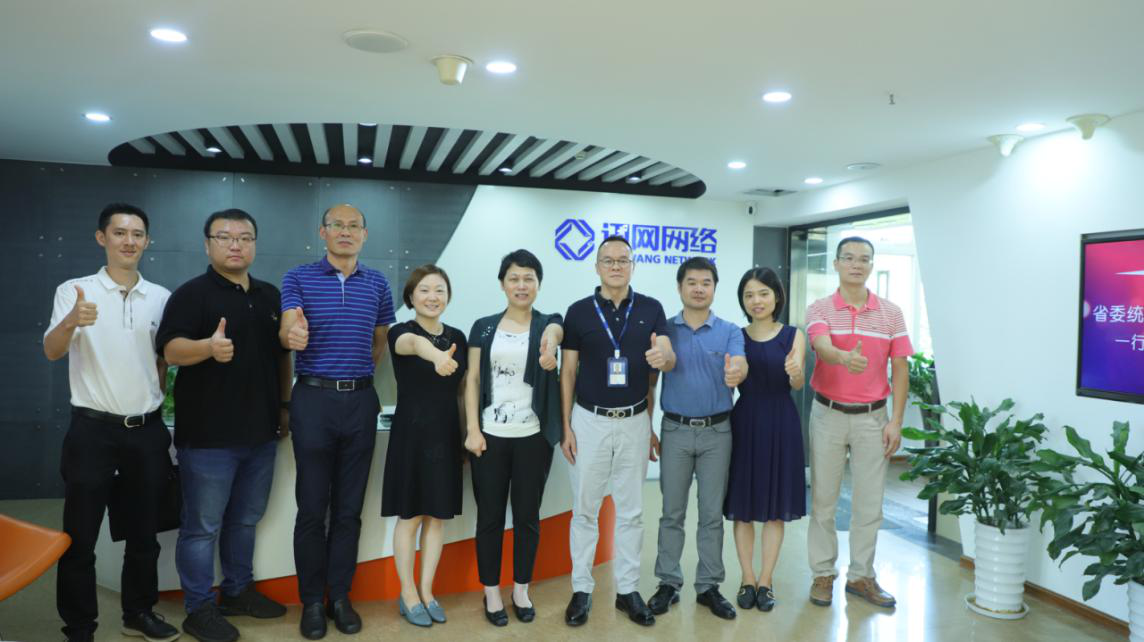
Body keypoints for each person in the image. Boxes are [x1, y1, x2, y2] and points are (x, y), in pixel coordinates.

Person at [43, 203, 180, 642]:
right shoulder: (75, 290)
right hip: (92, 431)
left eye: (137, 234)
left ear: (147, 241)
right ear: (102, 238)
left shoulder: (161, 297)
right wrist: (71, 321)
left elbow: (162, 359)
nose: (129, 241)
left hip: (146, 431)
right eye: (120, 233)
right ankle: (80, 626)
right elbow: (52, 350)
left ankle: (138, 614)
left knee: (144, 534)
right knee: (79, 537)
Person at [157, 209, 292, 642]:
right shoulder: (191, 294)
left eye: (245, 237)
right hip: (208, 437)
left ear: (254, 244)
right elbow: (170, 351)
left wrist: (284, 406)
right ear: (207, 244)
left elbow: (282, 357)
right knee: (202, 528)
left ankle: (236, 591)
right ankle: (199, 609)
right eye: (225, 237)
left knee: (245, 520)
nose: (236, 244)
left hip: (261, 434)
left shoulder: (270, 296)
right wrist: (207, 348)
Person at [279, 204, 396, 640]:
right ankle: (312, 601)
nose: (345, 232)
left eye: (353, 226)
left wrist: (356, 376)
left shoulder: (378, 283)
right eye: (336, 225)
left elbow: (380, 341)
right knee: (312, 508)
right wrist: (292, 335)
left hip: (361, 401)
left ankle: (340, 597)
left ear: (364, 234)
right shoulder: (298, 278)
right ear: (322, 232)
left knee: (349, 510)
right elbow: (288, 328)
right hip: (313, 399)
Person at [560, 235, 675, 628]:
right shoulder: (578, 312)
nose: (615, 266)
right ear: (597, 266)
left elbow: (661, 364)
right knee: (585, 510)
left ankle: (627, 590)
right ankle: (581, 589)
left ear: (632, 265)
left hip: (634, 421)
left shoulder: (651, 309)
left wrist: (663, 359)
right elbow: (568, 372)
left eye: (622, 260)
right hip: (588, 420)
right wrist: (566, 426)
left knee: (632, 512)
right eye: (607, 260)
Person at [805, 237, 912, 609]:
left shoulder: (891, 313)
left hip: (873, 418)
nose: (856, 264)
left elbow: (900, 367)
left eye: (864, 259)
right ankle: (823, 573)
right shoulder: (820, 307)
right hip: (828, 414)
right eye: (848, 258)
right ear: (836, 264)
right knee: (823, 501)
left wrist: (896, 421)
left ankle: (861, 576)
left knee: (870, 504)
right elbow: (821, 345)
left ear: (871, 266)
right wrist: (842, 357)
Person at [463, 250, 564, 627]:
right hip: (490, 437)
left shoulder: (547, 323)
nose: (521, 285)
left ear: (538, 284)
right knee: (489, 518)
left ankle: (521, 589)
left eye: (529, 279)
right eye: (514, 278)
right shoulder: (484, 327)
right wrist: (473, 429)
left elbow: (557, 328)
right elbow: (472, 380)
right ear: (503, 284)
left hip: (532, 438)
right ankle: (491, 591)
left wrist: (550, 343)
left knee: (527, 518)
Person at [647, 257, 746, 621]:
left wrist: (737, 372)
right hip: (674, 430)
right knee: (671, 512)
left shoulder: (730, 331)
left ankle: (708, 586)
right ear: (680, 287)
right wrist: (649, 428)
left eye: (706, 282)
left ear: (715, 289)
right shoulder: (664, 330)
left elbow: (740, 364)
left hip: (717, 432)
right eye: (692, 282)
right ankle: (668, 582)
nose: (699, 288)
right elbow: (651, 383)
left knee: (710, 514)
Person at [382, 264, 468, 628]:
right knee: (411, 516)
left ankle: (428, 591)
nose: (433, 297)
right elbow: (414, 345)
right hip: (412, 436)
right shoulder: (401, 332)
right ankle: (408, 594)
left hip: (446, 435)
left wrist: (467, 434)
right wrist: (436, 356)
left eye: (440, 290)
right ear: (411, 297)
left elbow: (463, 392)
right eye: (425, 290)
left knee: (437, 516)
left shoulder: (458, 337)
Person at [723, 267, 807, 612]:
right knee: (743, 508)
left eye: (763, 293)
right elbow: (733, 376)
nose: (756, 301)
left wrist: (797, 373)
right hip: (745, 421)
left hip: (781, 422)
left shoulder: (793, 335)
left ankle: (766, 580)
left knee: (774, 509)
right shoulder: (735, 335)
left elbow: (798, 383)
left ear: (776, 296)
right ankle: (747, 578)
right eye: (749, 295)